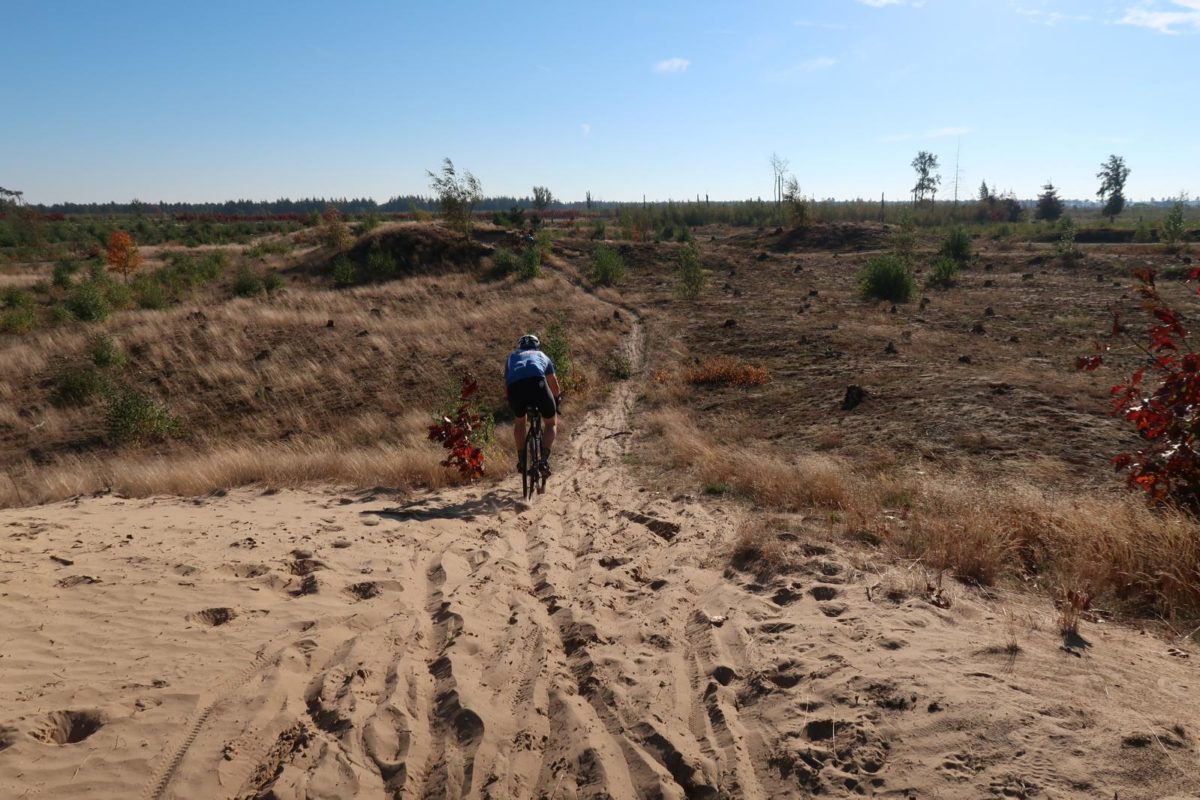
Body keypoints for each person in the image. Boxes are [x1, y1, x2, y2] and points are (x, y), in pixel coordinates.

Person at [505, 334, 560, 474]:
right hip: (538, 385)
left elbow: (506, 385)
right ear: (537, 345)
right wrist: (556, 400)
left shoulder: (511, 357)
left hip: (515, 389)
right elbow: (553, 383)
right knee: (550, 423)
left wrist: (512, 402)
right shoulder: (541, 355)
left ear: (520, 346)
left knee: (520, 422)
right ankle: (544, 461)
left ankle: (522, 460)